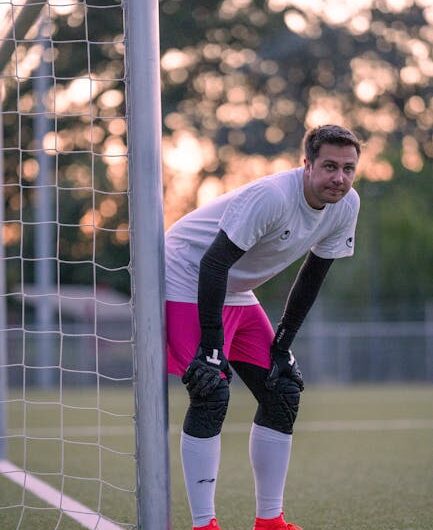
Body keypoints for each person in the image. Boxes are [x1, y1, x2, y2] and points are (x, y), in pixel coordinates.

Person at [165, 124, 361, 530]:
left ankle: (269, 521)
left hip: (234, 286)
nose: (338, 178)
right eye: (328, 166)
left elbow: (312, 276)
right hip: (186, 274)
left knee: (282, 391)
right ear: (306, 165)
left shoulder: (346, 205)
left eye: (348, 169)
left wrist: (283, 344)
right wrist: (212, 347)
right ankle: (204, 524)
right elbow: (213, 264)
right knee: (211, 389)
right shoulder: (272, 197)